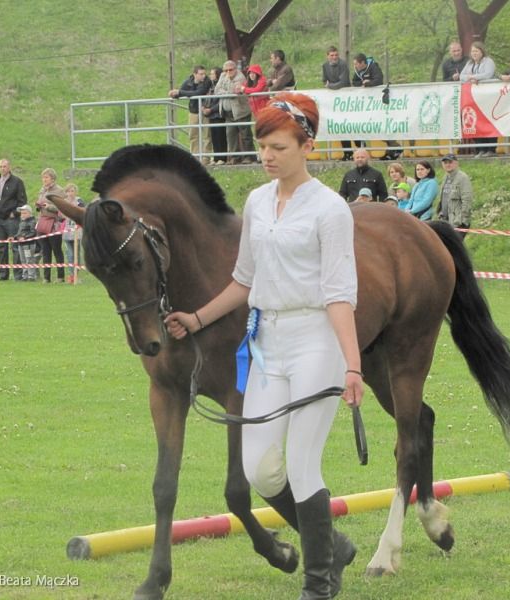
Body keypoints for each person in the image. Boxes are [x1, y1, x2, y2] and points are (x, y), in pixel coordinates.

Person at [165, 92, 362, 599]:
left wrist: (353, 367)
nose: (267, 155)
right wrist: (198, 317)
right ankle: (333, 547)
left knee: (301, 464)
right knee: (259, 469)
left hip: (317, 339)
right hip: (267, 340)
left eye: (278, 146)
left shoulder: (331, 209)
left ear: (307, 146)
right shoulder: (256, 201)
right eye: (263, 146)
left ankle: (318, 585)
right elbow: (243, 280)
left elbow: (340, 293)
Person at [0, 158, 27, 281]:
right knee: (1, 247)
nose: (2, 168)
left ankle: (18, 275)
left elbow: (23, 201)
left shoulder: (17, 182)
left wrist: (14, 213)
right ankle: (3, 274)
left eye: (5, 166)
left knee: (15, 247)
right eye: (0, 166)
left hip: (11, 220)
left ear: (9, 167)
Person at [169, 65, 213, 164]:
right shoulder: (188, 82)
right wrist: (174, 94)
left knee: (207, 135)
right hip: (193, 111)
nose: (203, 76)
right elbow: (180, 93)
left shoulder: (207, 81)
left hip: (205, 110)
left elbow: (199, 92)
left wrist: (180, 92)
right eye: (201, 74)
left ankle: (206, 159)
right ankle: (195, 158)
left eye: (204, 74)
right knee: (193, 135)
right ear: (195, 74)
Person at [460, 42, 497, 156]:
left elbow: (488, 74)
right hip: (473, 98)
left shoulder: (488, 61)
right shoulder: (470, 63)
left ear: (482, 51)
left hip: (487, 96)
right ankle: (481, 148)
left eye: (476, 51)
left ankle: (491, 149)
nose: (474, 53)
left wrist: (473, 77)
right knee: (476, 122)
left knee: (488, 121)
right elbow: (462, 76)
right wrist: (471, 79)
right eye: (472, 51)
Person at [215, 60, 255, 164]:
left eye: (230, 69)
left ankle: (249, 157)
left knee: (245, 135)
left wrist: (224, 91)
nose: (228, 72)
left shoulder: (240, 77)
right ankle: (234, 157)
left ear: (235, 69)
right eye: (226, 70)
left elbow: (234, 91)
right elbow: (217, 90)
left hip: (241, 111)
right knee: (230, 135)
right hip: (228, 113)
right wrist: (225, 92)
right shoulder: (223, 76)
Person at [322, 45, 354, 159]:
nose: (334, 57)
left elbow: (343, 82)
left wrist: (330, 86)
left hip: (346, 98)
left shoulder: (343, 64)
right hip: (334, 100)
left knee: (352, 125)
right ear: (328, 56)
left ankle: (361, 150)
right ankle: (348, 153)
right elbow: (324, 80)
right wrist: (330, 86)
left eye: (336, 55)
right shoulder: (325, 66)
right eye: (332, 55)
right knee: (340, 126)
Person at [34, 168, 66, 284]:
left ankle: (60, 276)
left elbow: (63, 208)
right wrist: (38, 206)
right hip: (42, 222)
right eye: (43, 177)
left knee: (57, 250)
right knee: (45, 251)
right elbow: (40, 202)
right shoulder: (42, 190)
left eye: (46, 177)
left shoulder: (59, 191)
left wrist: (50, 207)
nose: (44, 180)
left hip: (54, 223)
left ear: (52, 178)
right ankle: (46, 277)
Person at [436, 154, 472, 239]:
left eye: (450, 162)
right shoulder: (446, 177)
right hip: (445, 221)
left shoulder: (462, 178)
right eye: (445, 163)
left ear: (456, 163)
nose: (448, 165)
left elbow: (467, 199)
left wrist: (462, 220)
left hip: (457, 222)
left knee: (454, 248)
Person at [202, 67, 228, 164]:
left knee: (220, 136)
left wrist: (211, 109)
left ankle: (223, 158)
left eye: (212, 73)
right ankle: (216, 157)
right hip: (212, 115)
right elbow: (208, 98)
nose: (210, 75)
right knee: (214, 137)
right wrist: (204, 107)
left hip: (218, 114)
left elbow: (221, 101)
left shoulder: (221, 85)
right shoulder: (211, 85)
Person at [60, 183, 85, 283]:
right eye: (68, 191)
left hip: (77, 231)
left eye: (72, 191)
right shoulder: (63, 202)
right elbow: (60, 215)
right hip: (67, 230)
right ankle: (71, 275)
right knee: (69, 253)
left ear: (75, 192)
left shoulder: (79, 201)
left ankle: (75, 274)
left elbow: (82, 211)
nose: (70, 193)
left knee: (76, 253)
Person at [14, 204, 38, 281]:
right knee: (23, 260)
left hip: (29, 244)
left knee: (29, 259)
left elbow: (33, 232)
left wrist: (25, 237)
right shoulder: (21, 222)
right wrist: (15, 237)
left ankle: (31, 276)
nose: (22, 215)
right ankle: (25, 276)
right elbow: (19, 233)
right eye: (21, 213)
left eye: (24, 213)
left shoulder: (32, 221)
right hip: (21, 244)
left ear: (30, 213)